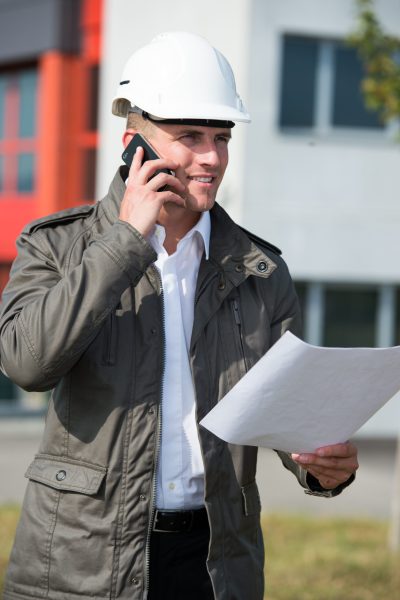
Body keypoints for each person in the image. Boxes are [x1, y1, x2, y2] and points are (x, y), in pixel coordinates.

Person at [0, 32, 358, 600]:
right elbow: (27, 363)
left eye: (221, 137)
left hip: (217, 564)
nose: (212, 157)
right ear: (132, 146)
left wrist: (319, 464)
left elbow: (290, 409)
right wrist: (124, 243)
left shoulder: (260, 270)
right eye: (189, 136)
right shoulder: (56, 246)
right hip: (80, 562)